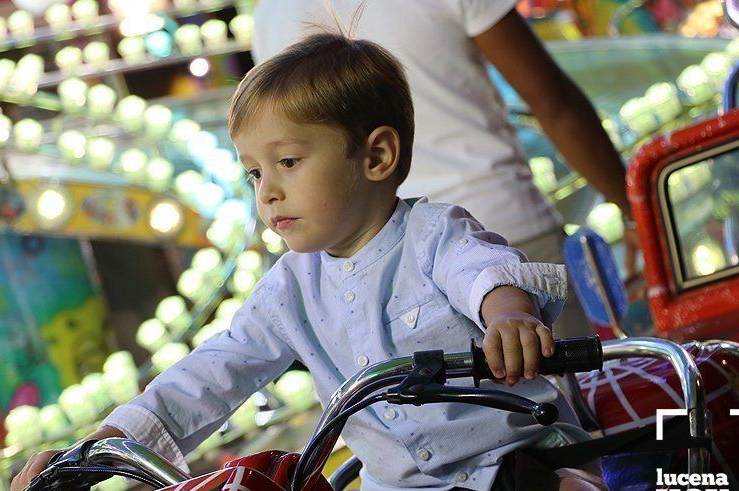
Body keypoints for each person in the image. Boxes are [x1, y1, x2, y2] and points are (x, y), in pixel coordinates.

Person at [12, 34, 644, 491]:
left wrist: (508, 316)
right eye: (255, 172)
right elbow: (207, 374)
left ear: (375, 157)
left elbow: (482, 271)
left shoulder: (431, 233)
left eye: (287, 163)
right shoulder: (287, 289)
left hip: (522, 475)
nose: (267, 192)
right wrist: (93, 452)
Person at [251, 0, 640, 340]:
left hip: (387, 264)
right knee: (559, 404)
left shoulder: (270, 12)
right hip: (503, 226)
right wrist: (634, 211)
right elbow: (553, 102)